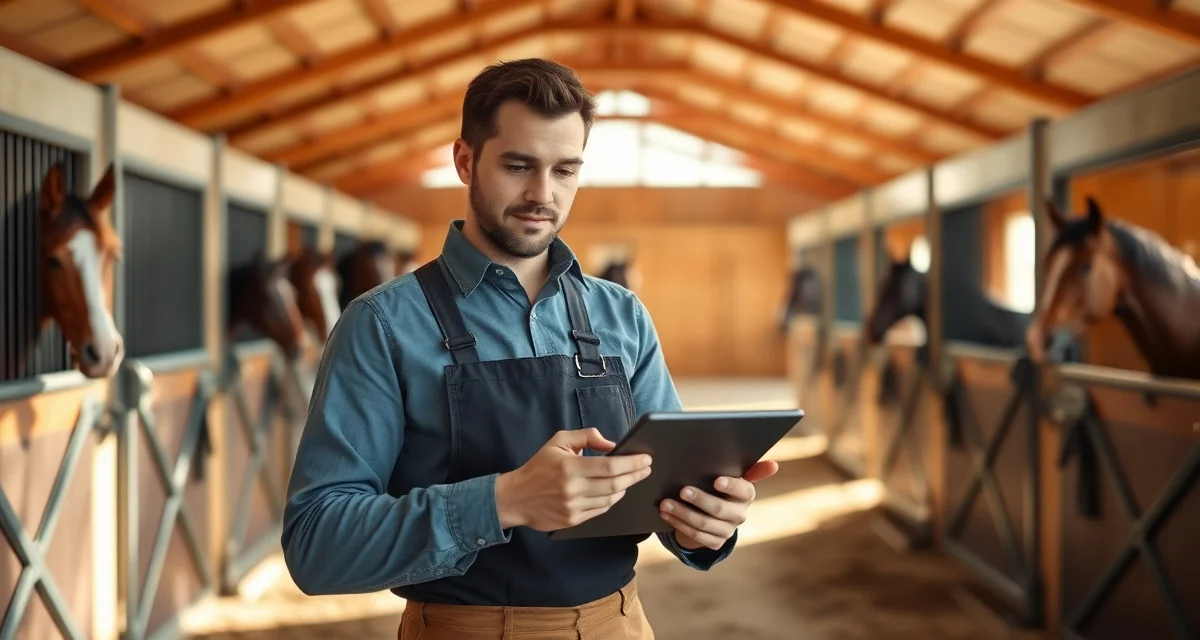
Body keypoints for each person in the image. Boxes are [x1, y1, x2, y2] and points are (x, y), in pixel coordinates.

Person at [280, 58, 780, 640]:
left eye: (565, 170)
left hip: (619, 624)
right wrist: (501, 501)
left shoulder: (622, 316)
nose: (542, 194)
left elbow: (665, 493)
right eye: (518, 166)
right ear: (465, 161)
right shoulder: (383, 325)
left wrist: (703, 521)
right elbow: (315, 544)